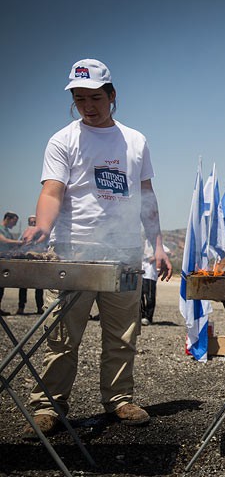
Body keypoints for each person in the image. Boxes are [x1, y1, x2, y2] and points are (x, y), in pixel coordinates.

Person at [21, 58, 172, 438]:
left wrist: (157, 243)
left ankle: (119, 399)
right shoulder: (63, 139)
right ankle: (48, 404)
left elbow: (146, 195)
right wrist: (42, 226)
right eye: (79, 98)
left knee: (123, 333)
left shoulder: (135, 141)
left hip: (123, 251)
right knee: (61, 335)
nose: (87, 106)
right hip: (74, 250)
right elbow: (52, 190)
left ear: (112, 95)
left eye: (94, 97)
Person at [18, 215, 45, 315]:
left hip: (38, 263)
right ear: (29, 223)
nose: (33, 224)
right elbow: (20, 244)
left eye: (35, 222)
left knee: (39, 287)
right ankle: (21, 307)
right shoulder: (25, 232)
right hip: (26, 262)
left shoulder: (42, 234)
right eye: (31, 222)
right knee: (23, 286)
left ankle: (39, 307)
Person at [140, 239, 170, 326]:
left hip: (150, 274)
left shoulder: (156, 243)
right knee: (140, 295)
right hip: (141, 271)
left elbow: (168, 252)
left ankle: (148, 317)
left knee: (149, 295)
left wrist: (155, 257)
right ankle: (141, 315)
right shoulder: (143, 242)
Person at [0, 212, 21, 316]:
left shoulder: (8, 232)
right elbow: (3, 241)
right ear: (8, 218)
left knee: (1, 287)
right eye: (14, 221)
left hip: (3, 261)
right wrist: (19, 242)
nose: (15, 225)